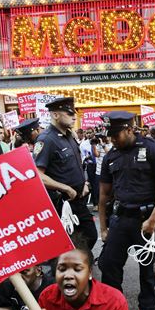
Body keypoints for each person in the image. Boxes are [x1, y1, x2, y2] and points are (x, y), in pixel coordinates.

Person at [98, 111, 155, 310]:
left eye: (116, 134)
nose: (111, 139)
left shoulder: (151, 149)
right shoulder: (111, 156)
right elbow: (103, 195)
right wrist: (103, 228)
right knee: (109, 264)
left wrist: (153, 219)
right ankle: (113, 309)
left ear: (129, 129)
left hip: (146, 220)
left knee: (147, 268)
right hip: (120, 219)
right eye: (109, 135)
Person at [34, 97, 97, 250]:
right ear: (55, 115)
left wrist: (85, 183)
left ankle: (80, 265)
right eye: (69, 113)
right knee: (70, 242)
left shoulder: (70, 136)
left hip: (79, 198)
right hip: (63, 202)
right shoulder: (46, 139)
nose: (74, 117)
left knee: (90, 236)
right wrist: (65, 188)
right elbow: (38, 175)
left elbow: (75, 165)